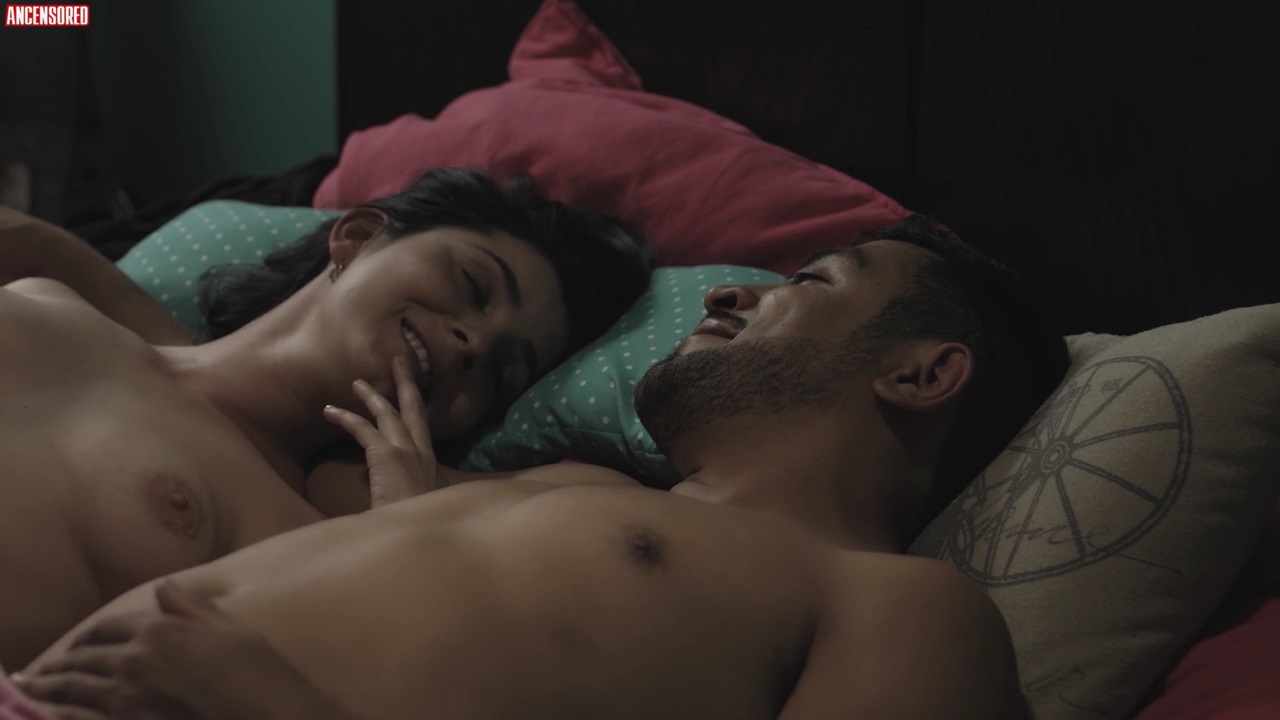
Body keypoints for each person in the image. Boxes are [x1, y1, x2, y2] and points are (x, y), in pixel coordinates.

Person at [15, 215, 1069, 720]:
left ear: (922, 373)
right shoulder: (564, 486)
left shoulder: (897, 603)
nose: (726, 294)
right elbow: (203, 401)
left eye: (812, 281)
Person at [0, 168, 652, 670]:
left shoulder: (296, 534)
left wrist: (415, 520)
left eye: (501, 373)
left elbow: (610, 507)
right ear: (359, 237)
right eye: (474, 287)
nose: (473, 346)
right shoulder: (52, 303)